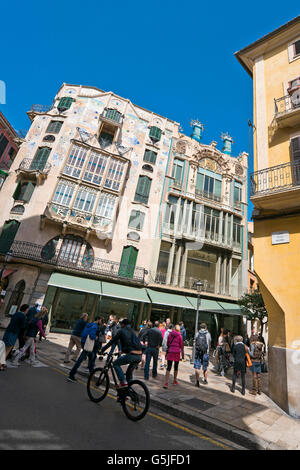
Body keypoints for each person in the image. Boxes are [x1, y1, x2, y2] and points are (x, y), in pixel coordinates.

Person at [100, 318, 142, 387]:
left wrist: (102, 350)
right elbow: (132, 343)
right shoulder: (133, 331)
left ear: (123, 324)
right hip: (139, 355)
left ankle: (123, 381)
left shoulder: (121, 331)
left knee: (115, 363)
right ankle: (127, 391)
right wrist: (122, 351)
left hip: (132, 355)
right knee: (129, 374)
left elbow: (112, 341)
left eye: (121, 324)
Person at [67, 316, 103, 383]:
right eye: (100, 320)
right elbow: (92, 335)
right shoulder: (95, 326)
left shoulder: (89, 324)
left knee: (91, 356)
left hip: (84, 342)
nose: (100, 321)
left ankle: (91, 372)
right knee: (80, 360)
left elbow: (83, 333)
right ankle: (71, 374)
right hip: (88, 344)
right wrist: (96, 337)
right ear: (98, 320)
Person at [163, 324, 183, 389]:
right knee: (176, 367)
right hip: (177, 352)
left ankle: (166, 382)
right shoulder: (180, 336)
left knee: (168, 367)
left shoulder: (170, 334)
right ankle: (174, 380)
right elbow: (181, 345)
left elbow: (168, 343)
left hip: (171, 351)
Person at [194, 323, 211, 387]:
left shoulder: (197, 333)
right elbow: (209, 342)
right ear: (205, 327)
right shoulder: (208, 334)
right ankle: (205, 380)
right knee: (205, 367)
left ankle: (197, 381)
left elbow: (195, 341)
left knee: (197, 367)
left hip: (198, 352)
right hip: (205, 352)